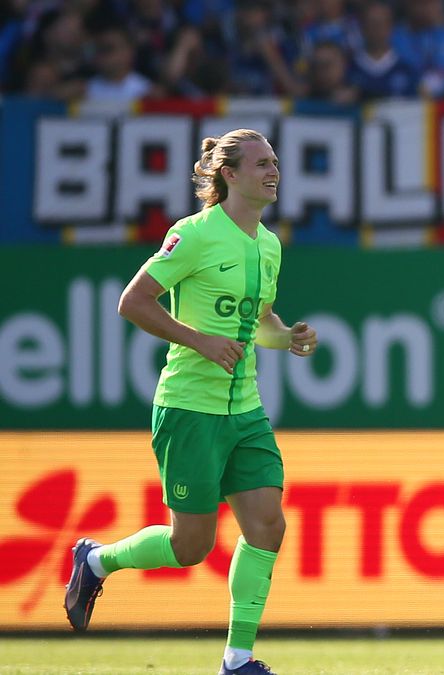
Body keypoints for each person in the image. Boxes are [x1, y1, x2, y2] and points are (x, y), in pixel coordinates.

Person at [63, 129, 318, 675]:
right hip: (189, 408)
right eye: (260, 164)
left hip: (245, 409)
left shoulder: (267, 244)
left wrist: (286, 337)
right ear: (229, 174)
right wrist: (199, 339)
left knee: (268, 525)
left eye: (275, 162)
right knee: (191, 546)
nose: (273, 172)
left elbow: (262, 322)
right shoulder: (195, 235)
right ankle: (96, 560)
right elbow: (132, 302)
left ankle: (238, 660)